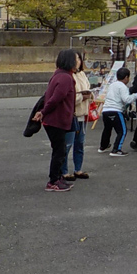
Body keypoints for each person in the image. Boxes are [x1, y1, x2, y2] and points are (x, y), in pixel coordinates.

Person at [33, 49, 85, 192]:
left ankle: (57, 177)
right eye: (76, 58)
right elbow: (55, 98)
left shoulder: (59, 74)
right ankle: (53, 180)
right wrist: (43, 112)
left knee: (60, 150)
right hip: (56, 120)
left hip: (55, 120)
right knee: (59, 151)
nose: (79, 61)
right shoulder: (65, 78)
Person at [63, 50, 92, 182]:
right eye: (76, 59)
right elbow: (68, 97)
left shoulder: (82, 74)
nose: (78, 61)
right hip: (71, 114)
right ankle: (63, 171)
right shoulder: (67, 76)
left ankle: (78, 169)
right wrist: (82, 97)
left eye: (79, 58)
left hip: (82, 114)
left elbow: (87, 90)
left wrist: (89, 95)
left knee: (80, 143)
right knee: (67, 144)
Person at [99, 67, 137, 156]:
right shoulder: (123, 86)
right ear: (126, 77)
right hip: (116, 110)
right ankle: (116, 149)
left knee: (107, 129)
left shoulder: (112, 85)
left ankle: (103, 146)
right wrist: (136, 95)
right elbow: (126, 99)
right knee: (122, 131)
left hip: (106, 110)